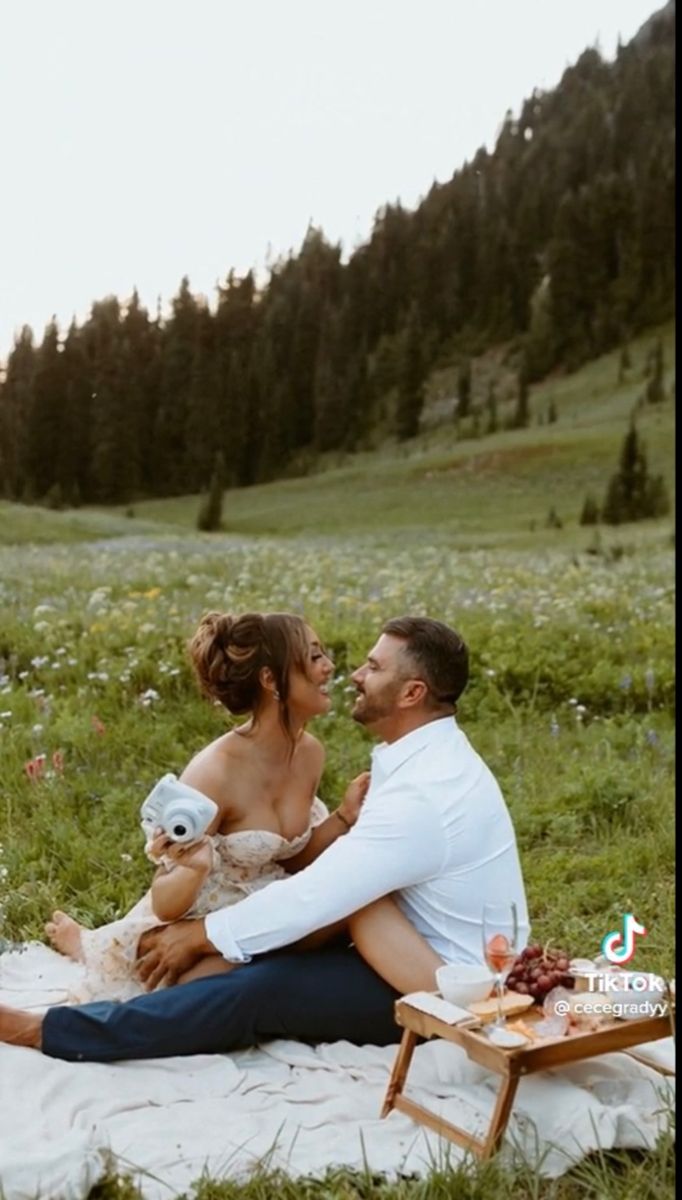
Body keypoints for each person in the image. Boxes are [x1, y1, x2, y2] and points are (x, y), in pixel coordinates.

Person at [0, 616, 530, 1059]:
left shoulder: (424, 791)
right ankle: (104, 968)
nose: (352, 674)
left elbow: (318, 893)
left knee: (256, 992)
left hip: (446, 986)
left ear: (413, 693)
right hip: (385, 938)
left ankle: (50, 1031)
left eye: (373, 667)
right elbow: (326, 886)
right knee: (259, 962)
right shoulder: (426, 760)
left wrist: (202, 934)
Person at [42, 609, 369, 1000]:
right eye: (314, 657)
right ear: (270, 680)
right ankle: (92, 947)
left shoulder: (310, 753)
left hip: (269, 902)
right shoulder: (213, 773)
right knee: (207, 989)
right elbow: (165, 902)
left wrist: (345, 816)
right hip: (201, 914)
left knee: (338, 923)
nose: (329, 667)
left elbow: (290, 859)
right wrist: (194, 867)